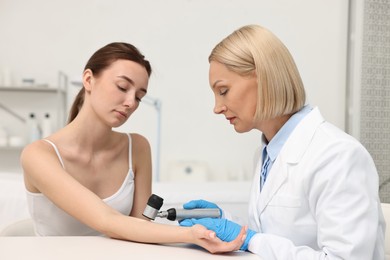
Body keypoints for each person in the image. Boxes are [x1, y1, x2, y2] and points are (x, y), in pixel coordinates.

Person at [179, 25, 386, 259]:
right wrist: (227, 222)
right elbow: (276, 235)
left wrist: (251, 240)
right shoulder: (266, 153)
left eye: (223, 90)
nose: (217, 108)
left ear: (263, 78)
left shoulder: (338, 155)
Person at [20, 42, 246, 253]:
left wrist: (199, 237)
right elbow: (106, 221)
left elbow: (138, 228)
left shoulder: (137, 147)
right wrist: (191, 235)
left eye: (139, 96)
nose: (131, 102)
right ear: (88, 80)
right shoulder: (39, 155)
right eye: (122, 87)